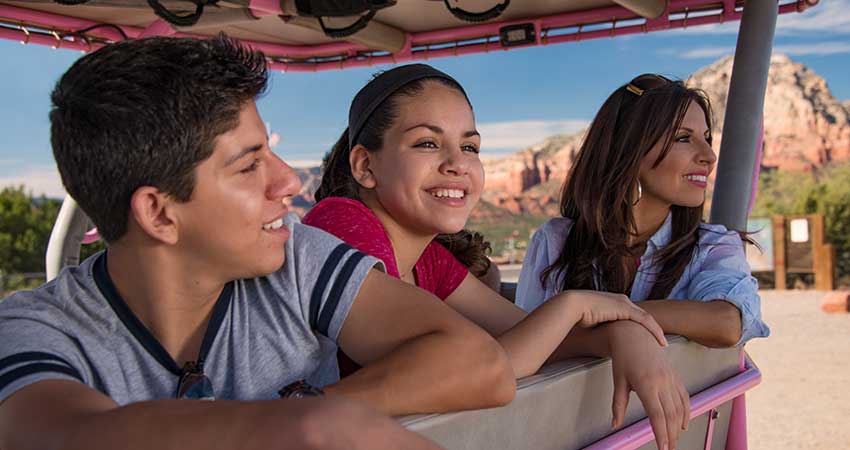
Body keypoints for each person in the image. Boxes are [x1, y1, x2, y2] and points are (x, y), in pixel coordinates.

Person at [0, 36, 519, 450]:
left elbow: (480, 364)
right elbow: (56, 434)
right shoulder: (37, 332)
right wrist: (297, 428)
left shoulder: (296, 261)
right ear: (159, 212)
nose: (290, 182)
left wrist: (311, 410)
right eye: (249, 165)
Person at [303, 64, 686, 450]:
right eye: (427, 143)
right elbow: (481, 365)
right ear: (365, 166)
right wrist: (575, 303)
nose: (458, 163)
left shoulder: (429, 259)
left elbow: (532, 337)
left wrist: (622, 332)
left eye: (470, 147)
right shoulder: (341, 224)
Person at [517, 74, 770, 347]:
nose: (709, 155)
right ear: (629, 151)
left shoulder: (713, 245)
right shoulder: (556, 241)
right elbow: (526, 346)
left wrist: (593, 310)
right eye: (683, 138)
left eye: (706, 138)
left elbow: (728, 322)